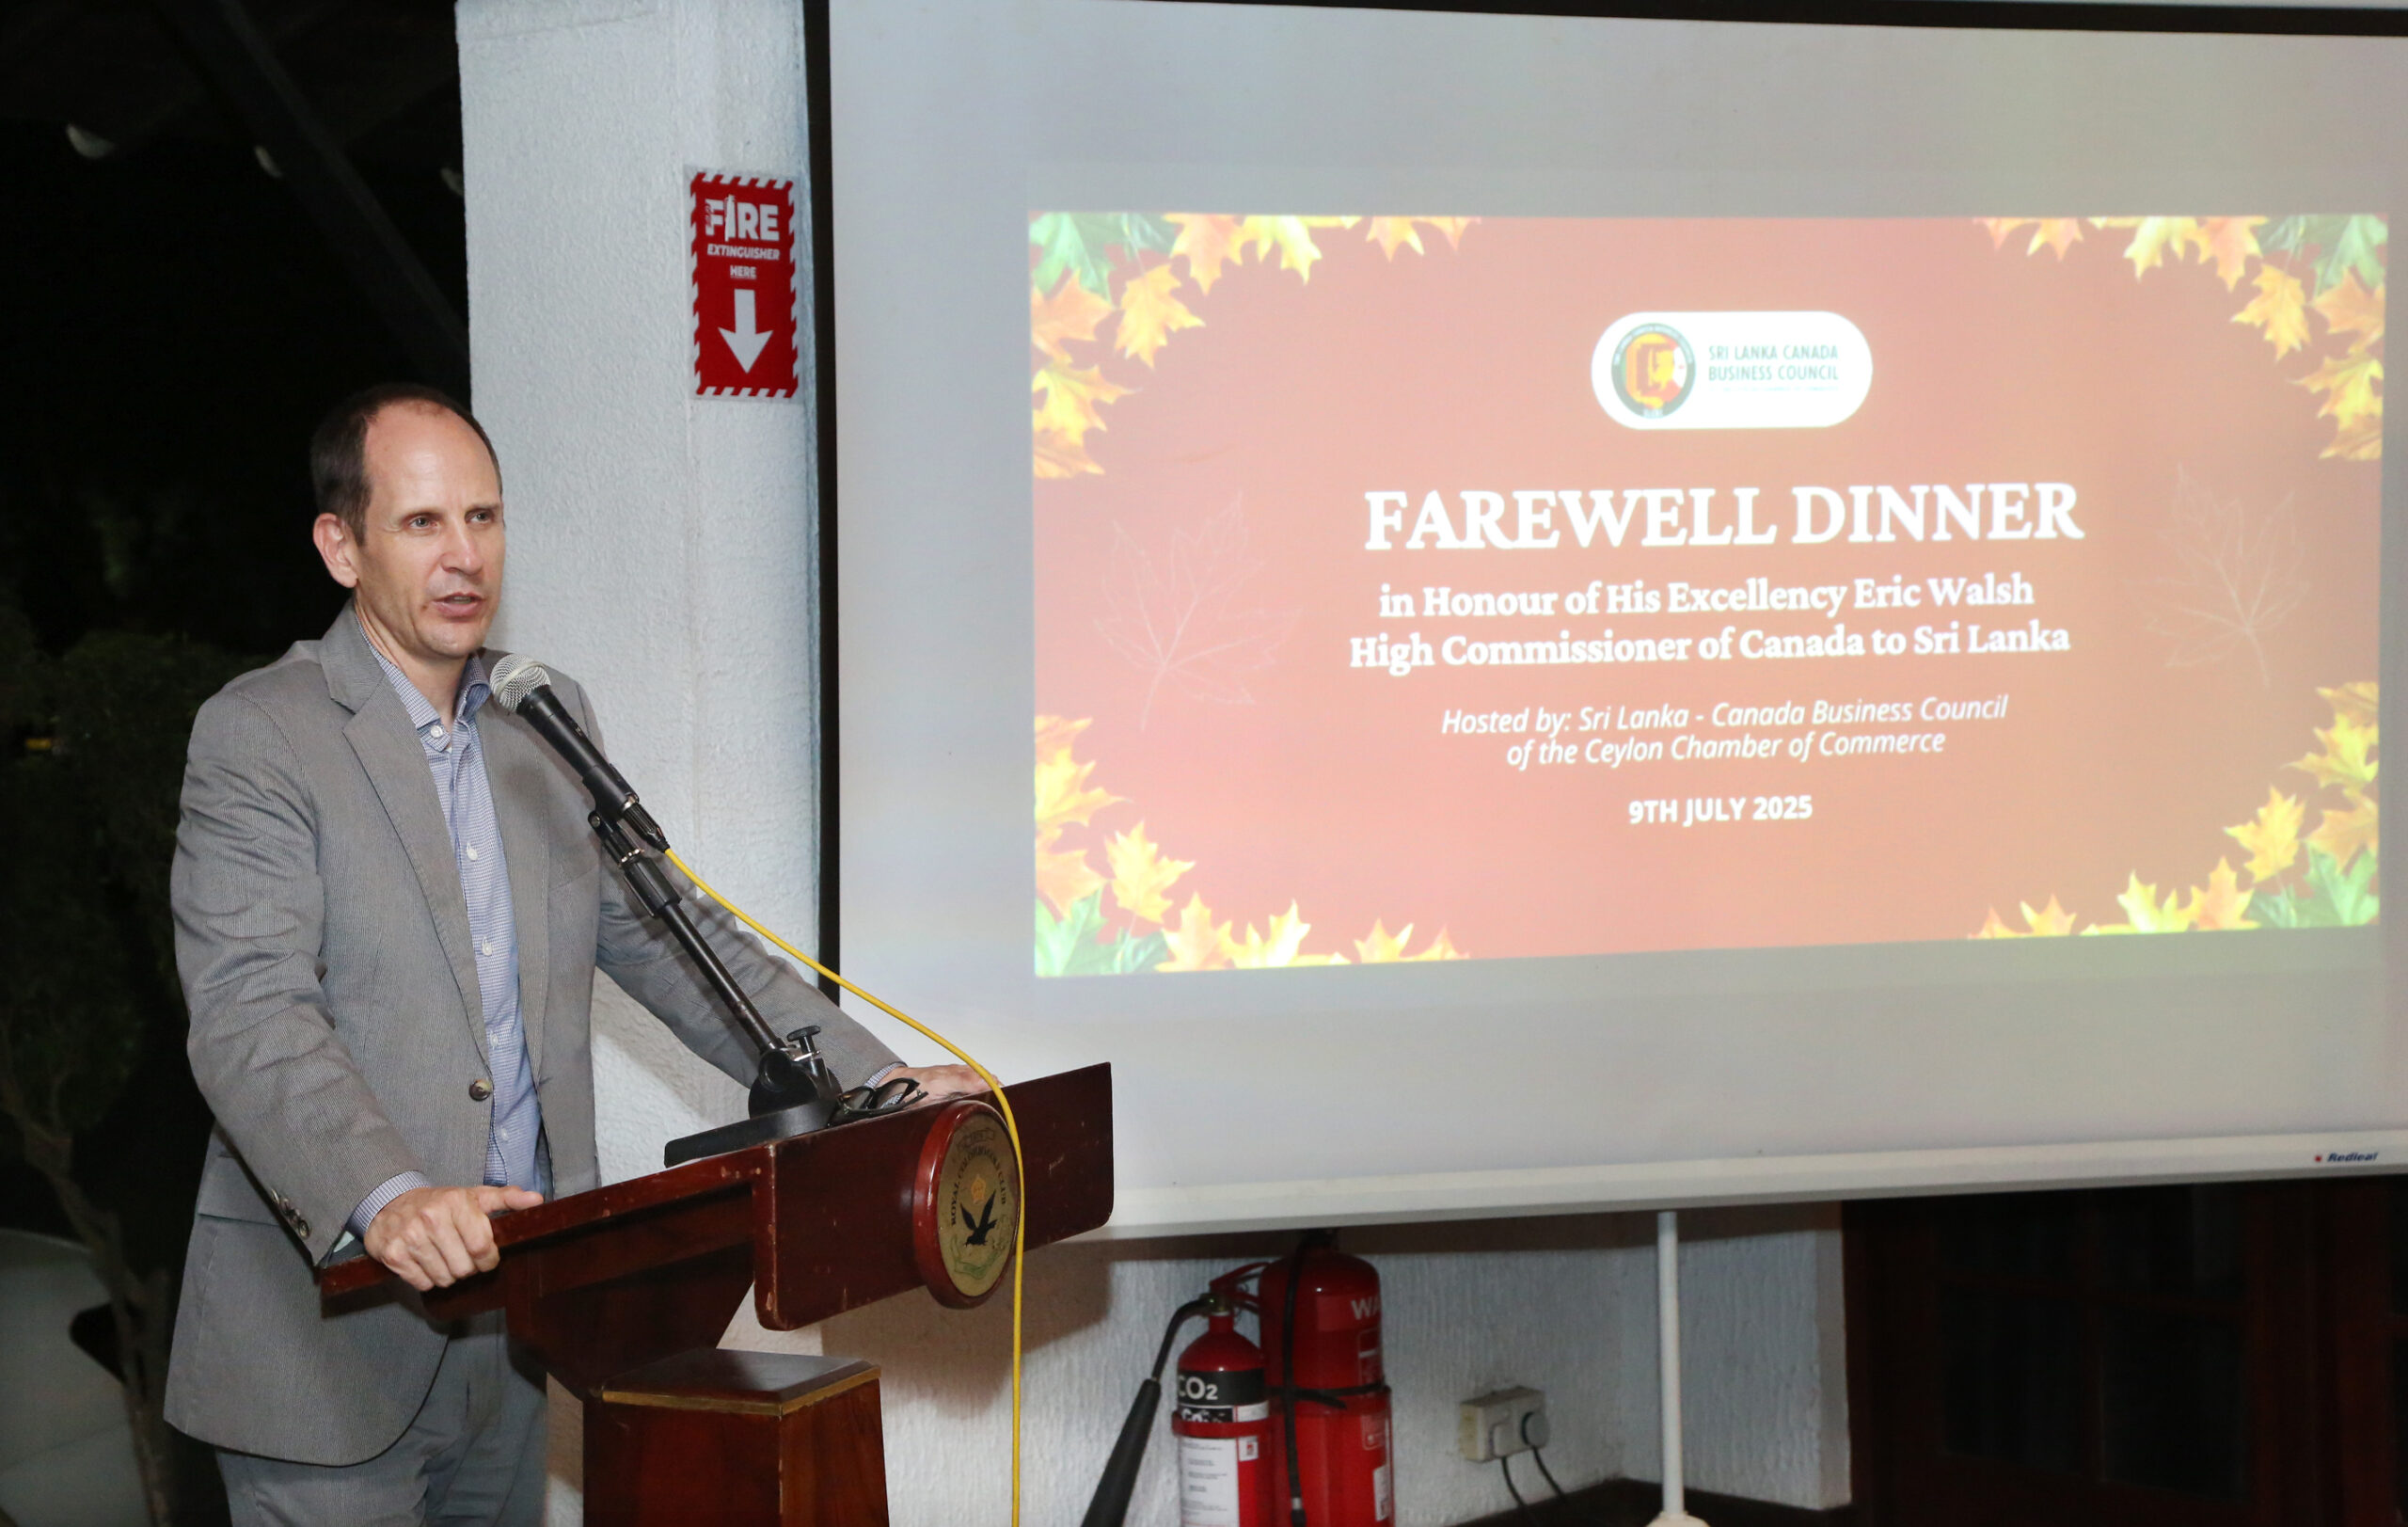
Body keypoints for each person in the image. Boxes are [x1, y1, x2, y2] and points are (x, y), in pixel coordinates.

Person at [164, 382, 974, 1524]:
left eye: (483, 518)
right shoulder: (262, 733)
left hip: (518, 1323)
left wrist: (873, 1085)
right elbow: (250, 1011)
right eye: (422, 523)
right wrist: (388, 1197)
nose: (464, 556)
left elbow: (679, 943)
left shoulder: (542, 717)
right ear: (341, 548)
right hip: (326, 1343)